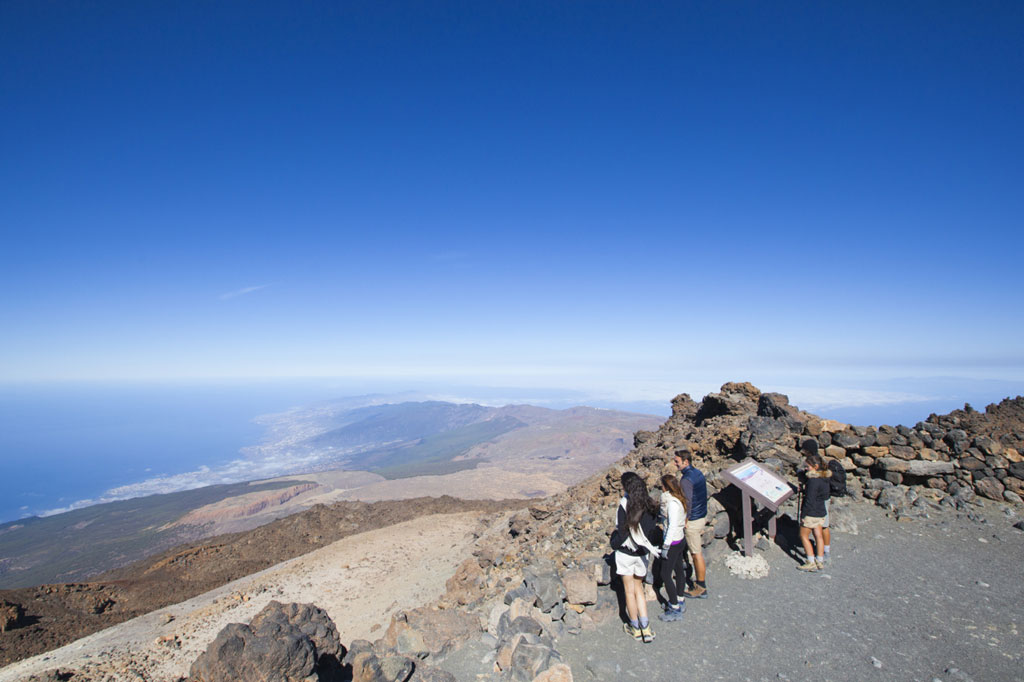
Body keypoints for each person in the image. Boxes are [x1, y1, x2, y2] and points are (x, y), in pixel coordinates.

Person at [612, 471, 660, 643]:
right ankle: (646, 627)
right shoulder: (650, 504)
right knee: (639, 589)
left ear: (627, 487)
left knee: (629, 591)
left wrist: (614, 543)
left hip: (625, 554)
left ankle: (634, 627)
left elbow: (622, 532)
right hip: (642, 553)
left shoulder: (624, 504)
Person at [673, 447, 709, 599]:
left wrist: (686, 521)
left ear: (685, 461)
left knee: (696, 554)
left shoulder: (686, 480)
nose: (675, 464)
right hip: (702, 515)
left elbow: (688, 502)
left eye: (677, 462)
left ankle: (701, 587)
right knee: (695, 552)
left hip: (693, 521)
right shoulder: (697, 473)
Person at [657, 473, 689, 622]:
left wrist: (665, 546)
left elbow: (672, 526)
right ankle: (680, 599)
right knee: (678, 570)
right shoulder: (680, 499)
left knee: (665, 574)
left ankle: (674, 607)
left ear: (665, 487)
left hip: (673, 542)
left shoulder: (672, 503)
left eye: (661, 486)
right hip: (679, 540)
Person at [798, 453, 831, 571]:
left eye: (808, 466)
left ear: (815, 466)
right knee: (818, 535)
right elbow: (826, 495)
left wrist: (803, 515)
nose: (806, 469)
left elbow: (809, 499)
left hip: (811, 512)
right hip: (821, 511)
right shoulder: (825, 478)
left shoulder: (813, 481)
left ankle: (810, 561)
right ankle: (820, 560)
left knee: (803, 535)